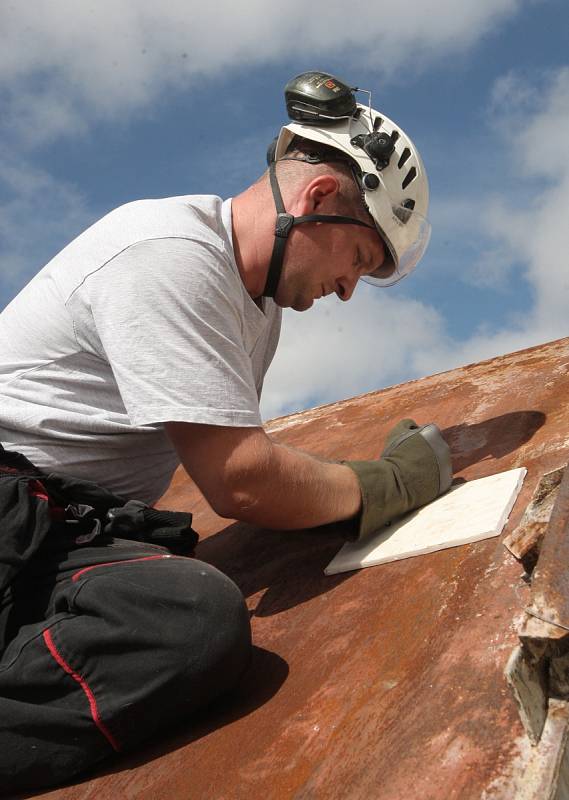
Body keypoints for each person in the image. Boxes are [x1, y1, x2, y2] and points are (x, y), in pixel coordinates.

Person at [0, 72, 452, 792]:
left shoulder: (257, 310)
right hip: (8, 508)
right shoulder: (167, 251)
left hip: (58, 533)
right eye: (358, 262)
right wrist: (390, 485)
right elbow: (242, 479)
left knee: (178, 616)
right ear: (320, 199)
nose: (344, 290)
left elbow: (258, 470)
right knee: (197, 618)